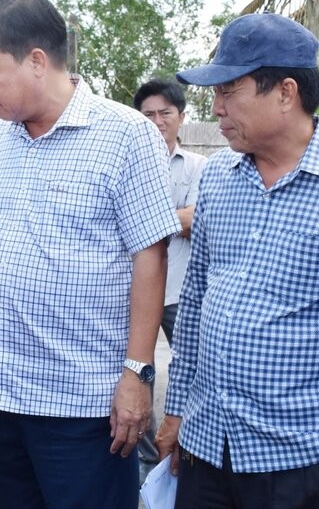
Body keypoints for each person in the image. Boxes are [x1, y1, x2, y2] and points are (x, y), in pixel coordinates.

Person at [0, 0, 180, 509]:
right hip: (4, 393)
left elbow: (152, 253)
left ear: (36, 61)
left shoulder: (124, 135)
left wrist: (137, 373)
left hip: (83, 402)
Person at [156, 13, 319, 509]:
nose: (216, 109)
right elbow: (194, 303)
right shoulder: (218, 179)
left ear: (285, 92)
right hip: (207, 450)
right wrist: (178, 412)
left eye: (230, 91)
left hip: (302, 464)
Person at [132, 79, 207, 477]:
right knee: (131, 380)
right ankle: (148, 463)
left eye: (166, 113)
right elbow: (182, 218)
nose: (158, 121)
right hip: (132, 293)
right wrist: (173, 218)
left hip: (182, 291)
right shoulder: (124, 161)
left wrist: (139, 219)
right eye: (148, 114)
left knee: (193, 376)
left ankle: (185, 454)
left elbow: (199, 219)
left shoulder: (200, 166)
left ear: (181, 117)